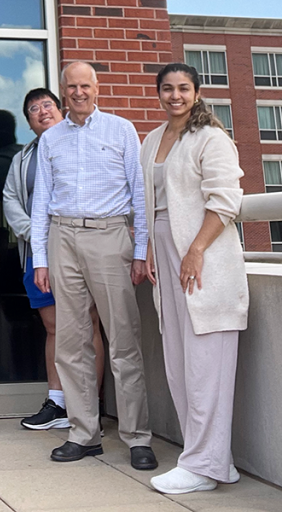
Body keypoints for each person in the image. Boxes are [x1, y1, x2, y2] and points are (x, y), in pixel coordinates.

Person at [30, 62, 157, 470]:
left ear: (97, 88)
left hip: (110, 236)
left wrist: (141, 251)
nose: (79, 92)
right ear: (63, 91)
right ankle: (84, 434)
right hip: (62, 237)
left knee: (123, 340)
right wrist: (40, 258)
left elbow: (140, 192)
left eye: (85, 85)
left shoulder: (121, 130)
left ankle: (137, 437)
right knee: (71, 343)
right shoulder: (51, 138)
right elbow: (41, 200)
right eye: (72, 86)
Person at [143, 63, 247, 494]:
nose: (175, 96)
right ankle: (211, 458)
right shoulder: (152, 139)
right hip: (166, 255)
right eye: (167, 88)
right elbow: (151, 202)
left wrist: (196, 249)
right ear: (159, 93)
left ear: (197, 92)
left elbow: (226, 200)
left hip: (204, 258)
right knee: (179, 364)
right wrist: (150, 247)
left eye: (183, 88)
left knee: (206, 363)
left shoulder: (211, 137)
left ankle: (204, 466)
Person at [3, 88, 105, 431]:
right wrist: (35, 234)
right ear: (28, 122)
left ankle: (90, 404)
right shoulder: (23, 158)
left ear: (60, 110)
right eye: (33, 109)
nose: (42, 111)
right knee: (53, 327)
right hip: (38, 254)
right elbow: (10, 200)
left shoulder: (81, 143)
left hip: (79, 248)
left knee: (87, 323)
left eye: (47, 104)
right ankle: (58, 403)